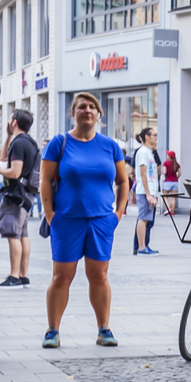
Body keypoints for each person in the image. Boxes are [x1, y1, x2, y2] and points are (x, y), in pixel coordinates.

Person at [40, 92, 130, 348]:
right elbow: (44, 181)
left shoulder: (110, 145)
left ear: (98, 114)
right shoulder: (59, 143)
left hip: (101, 221)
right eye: (82, 107)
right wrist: (50, 216)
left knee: (99, 275)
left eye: (92, 107)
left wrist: (118, 214)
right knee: (62, 276)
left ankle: (104, 329)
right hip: (67, 220)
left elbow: (123, 181)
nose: (87, 110)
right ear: (73, 113)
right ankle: (52, 330)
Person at [0, 110, 40, 287]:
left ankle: (14, 276)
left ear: (13, 122)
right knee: (22, 234)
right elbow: (4, 157)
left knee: (12, 233)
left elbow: (14, 171)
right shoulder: (30, 142)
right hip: (26, 194)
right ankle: (23, 275)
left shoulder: (19, 144)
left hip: (15, 194)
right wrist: (7, 138)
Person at [130, 128, 163, 256]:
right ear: (147, 137)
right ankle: (141, 247)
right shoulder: (143, 152)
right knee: (143, 218)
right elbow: (143, 175)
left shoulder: (149, 152)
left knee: (146, 219)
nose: (156, 138)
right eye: (154, 135)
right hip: (145, 191)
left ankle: (143, 246)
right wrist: (148, 194)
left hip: (149, 190)